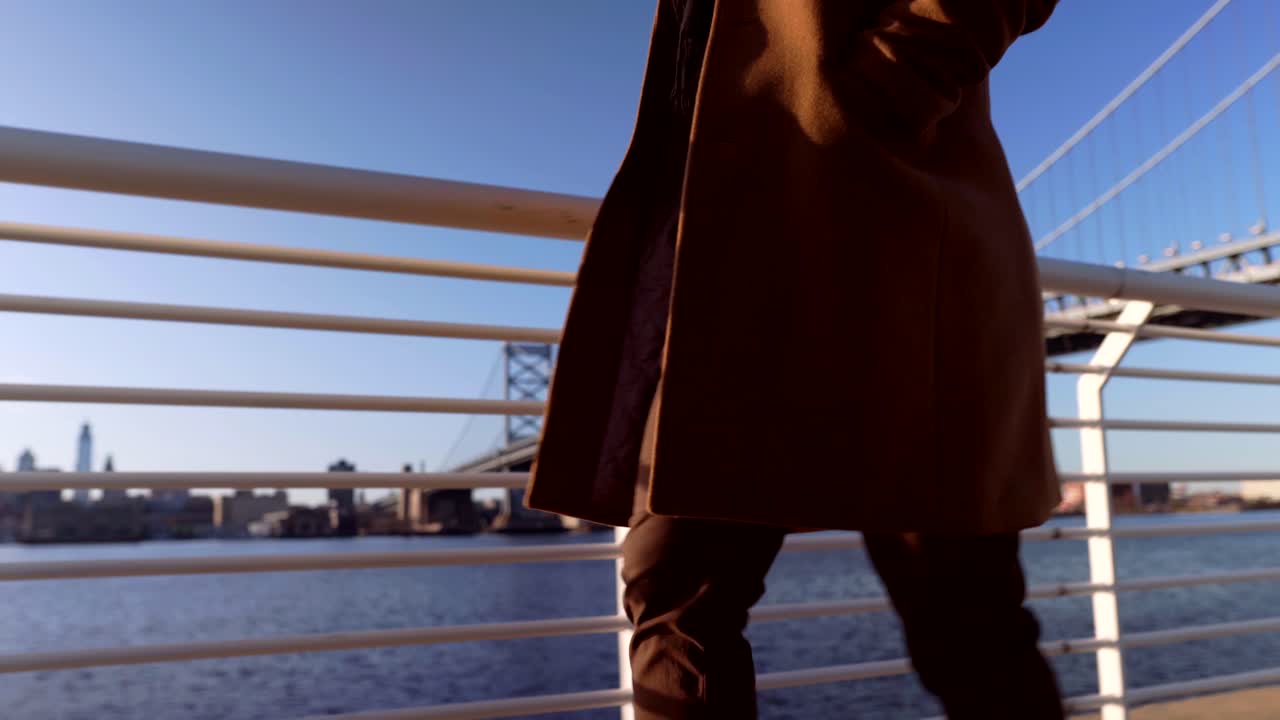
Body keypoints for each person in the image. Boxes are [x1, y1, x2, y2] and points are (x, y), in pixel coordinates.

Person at [527, 1, 1064, 717]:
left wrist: (884, 86)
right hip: (733, 269)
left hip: (898, 238)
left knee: (963, 615)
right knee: (674, 590)